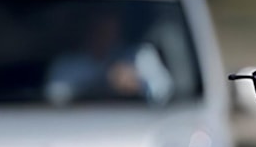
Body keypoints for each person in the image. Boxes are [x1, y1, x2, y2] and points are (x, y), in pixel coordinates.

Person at [46, 13, 174, 105]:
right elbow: (55, 98)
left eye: (111, 30)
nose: (106, 37)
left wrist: (137, 85)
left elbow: (164, 91)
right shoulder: (67, 65)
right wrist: (105, 82)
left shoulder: (140, 56)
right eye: (100, 30)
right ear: (88, 30)